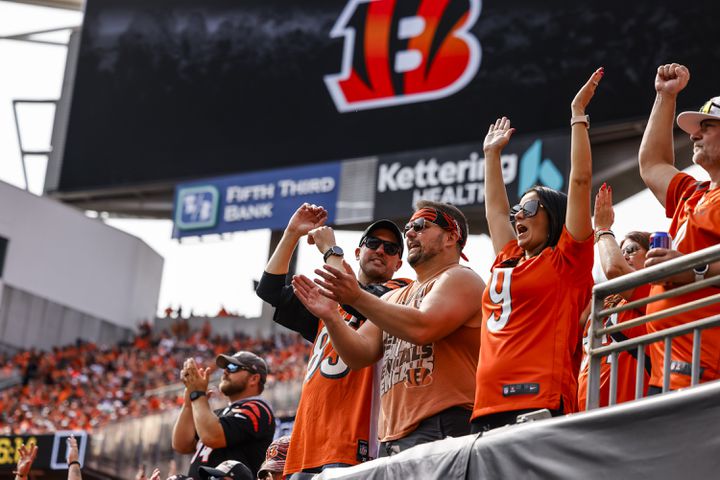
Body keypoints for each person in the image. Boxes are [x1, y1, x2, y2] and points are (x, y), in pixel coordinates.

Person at [293, 200, 484, 456]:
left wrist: (357, 298)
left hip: (443, 424)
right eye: (409, 227)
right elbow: (359, 354)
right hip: (392, 438)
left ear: (451, 237)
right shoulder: (394, 297)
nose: (410, 233)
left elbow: (424, 327)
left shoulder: (461, 277)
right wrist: (331, 317)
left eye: (420, 226)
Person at [471, 69, 602, 431]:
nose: (518, 217)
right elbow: (495, 210)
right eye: (519, 211)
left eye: (529, 209)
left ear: (553, 218)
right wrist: (491, 156)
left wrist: (578, 115)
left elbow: (579, 181)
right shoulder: (508, 258)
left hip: (538, 400)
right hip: (484, 406)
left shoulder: (567, 261)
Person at [255, 204, 409, 478]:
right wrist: (291, 233)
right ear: (359, 252)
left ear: (398, 264)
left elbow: (358, 302)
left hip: (352, 438)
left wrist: (330, 251)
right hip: (307, 441)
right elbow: (270, 290)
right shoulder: (329, 303)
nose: (381, 251)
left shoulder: (399, 291)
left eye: (391, 249)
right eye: (373, 243)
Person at [637, 63, 720, 391]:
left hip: (706, 370)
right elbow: (652, 163)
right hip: (668, 368)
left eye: (708, 126)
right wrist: (664, 96)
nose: (694, 134)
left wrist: (693, 270)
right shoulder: (694, 192)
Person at [577, 183, 651, 409]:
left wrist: (601, 228)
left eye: (631, 250)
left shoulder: (654, 288)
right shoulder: (601, 299)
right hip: (585, 416)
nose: (624, 255)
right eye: (621, 251)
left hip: (629, 413)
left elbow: (615, 270)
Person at [172, 351, 276, 478]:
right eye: (225, 368)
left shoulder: (257, 409)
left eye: (233, 368)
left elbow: (212, 437)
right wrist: (189, 402)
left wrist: (198, 394)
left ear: (253, 379)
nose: (225, 372)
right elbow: (182, 445)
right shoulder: (219, 414)